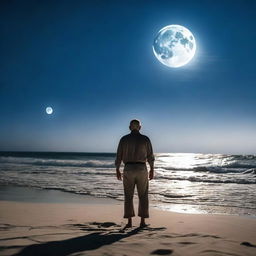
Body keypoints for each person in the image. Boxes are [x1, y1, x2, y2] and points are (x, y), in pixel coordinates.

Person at [115, 119, 155, 228]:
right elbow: (150, 156)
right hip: (141, 168)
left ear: (129, 127)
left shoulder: (124, 139)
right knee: (143, 195)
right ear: (140, 127)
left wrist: (117, 169)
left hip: (128, 168)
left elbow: (119, 156)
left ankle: (129, 222)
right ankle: (142, 222)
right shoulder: (145, 139)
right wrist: (152, 169)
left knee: (128, 195)